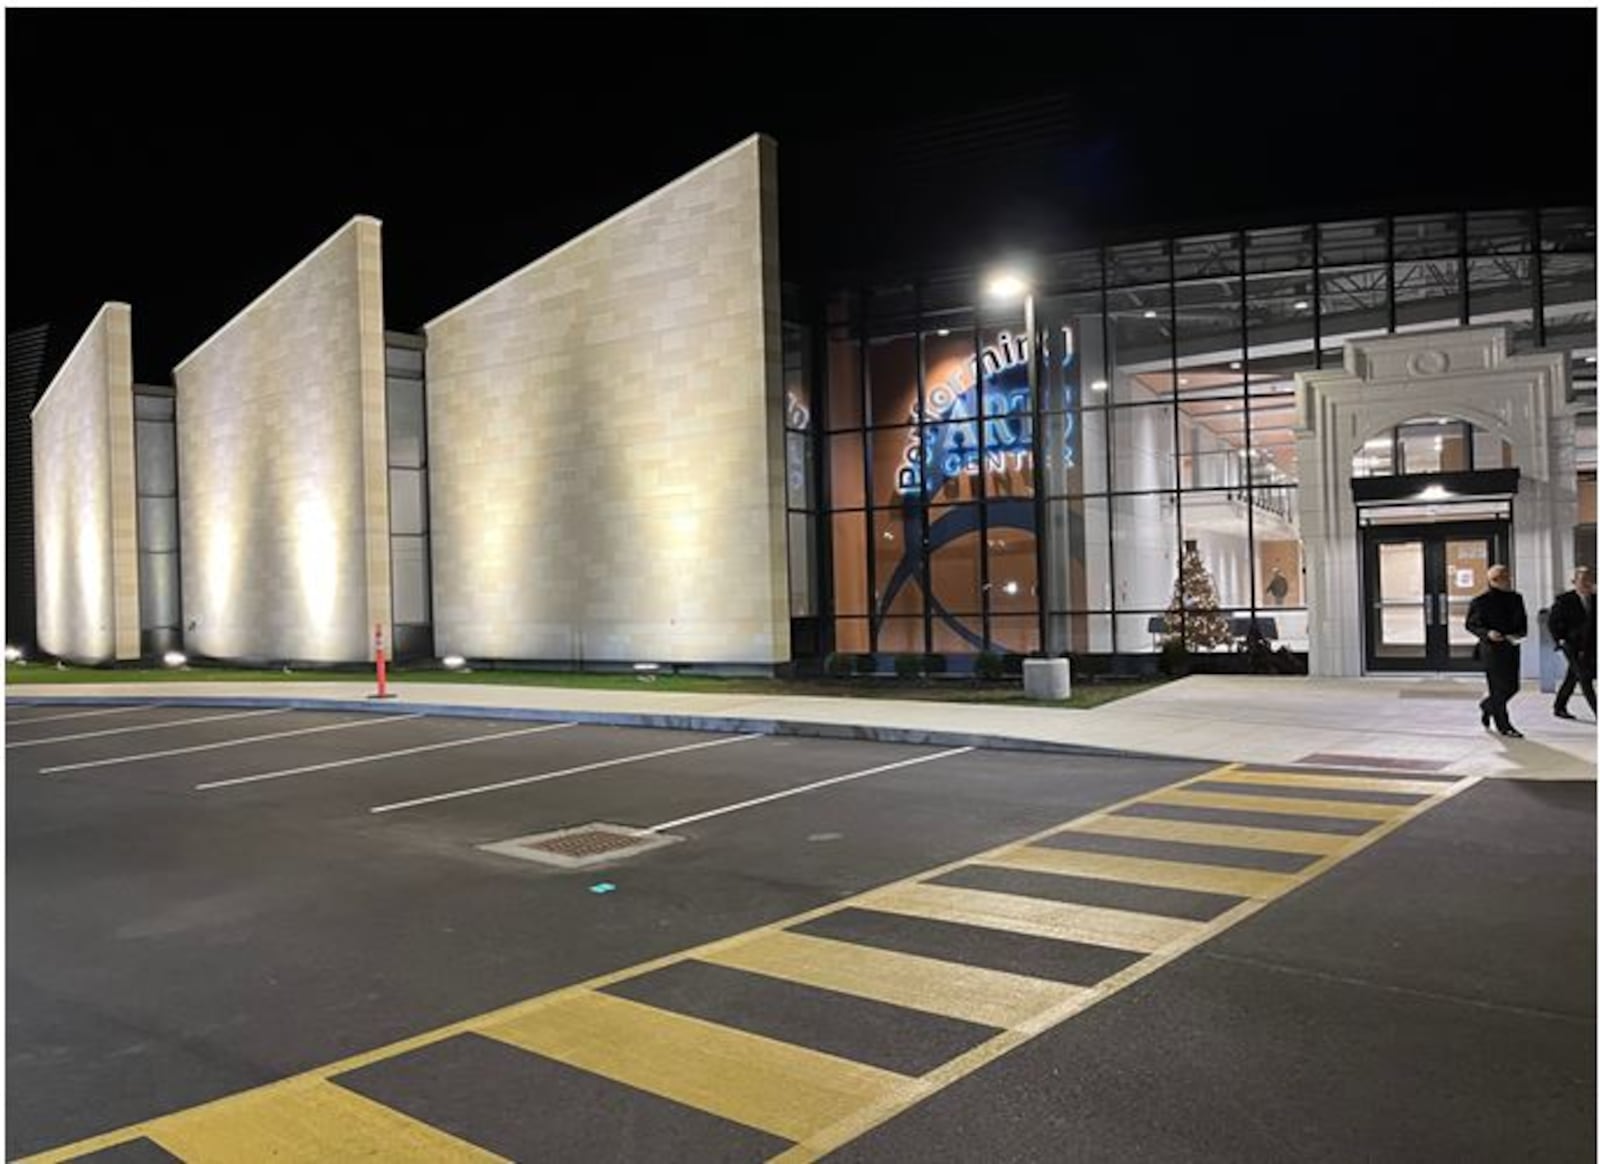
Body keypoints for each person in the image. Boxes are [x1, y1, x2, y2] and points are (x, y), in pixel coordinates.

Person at [1465, 563, 1529, 738]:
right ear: (1493, 580)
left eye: (1508, 577)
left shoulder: (1516, 598)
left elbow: (1522, 621)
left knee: (1512, 687)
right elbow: (1471, 625)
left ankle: (1487, 706)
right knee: (1498, 688)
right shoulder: (1480, 601)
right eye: (1503, 578)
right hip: (1491, 650)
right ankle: (1504, 725)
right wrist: (1488, 634)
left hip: (1511, 646)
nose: (1507, 581)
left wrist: (1519, 633)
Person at [1547, 566, 1596, 719]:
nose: (1586, 584)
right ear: (1574, 582)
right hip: (1571, 645)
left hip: (1590, 646)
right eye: (1583, 580)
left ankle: (1559, 706)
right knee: (1584, 677)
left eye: (1589, 580)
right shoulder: (1564, 600)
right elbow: (1553, 622)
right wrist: (1559, 639)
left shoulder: (1596, 599)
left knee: (1573, 676)